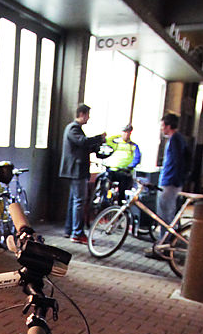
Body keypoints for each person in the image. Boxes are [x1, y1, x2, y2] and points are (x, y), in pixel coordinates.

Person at [59, 103, 106, 243]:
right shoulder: (73, 128)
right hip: (76, 170)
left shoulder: (75, 129)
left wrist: (95, 147)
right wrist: (99, 138)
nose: (88, 118)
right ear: (82, 114)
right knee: (79, 201)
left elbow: (82, 146)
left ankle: (69, 230)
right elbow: (82, 142)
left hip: (75, 170)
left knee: (74, 201)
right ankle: (77, 233)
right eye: (88, 115)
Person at [148, 112, 189, 257]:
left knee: (164, 216)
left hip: (169, 182)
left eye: (163, 126)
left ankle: (164, 246)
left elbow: (176, 162)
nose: (161, 128)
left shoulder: (175, 140)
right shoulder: (180, 139)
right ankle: (165, 243)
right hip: (173, 182)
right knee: (168, 214)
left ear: (168, 126)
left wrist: (172, 179)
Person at [103, 124, 141, 199]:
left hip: (124, 171)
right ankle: (104, 199)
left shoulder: (133, 146)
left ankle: (120, 201)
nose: (126, 135)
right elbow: (108, 140)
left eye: (128, 133)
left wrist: (130, 166)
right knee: (103, 180)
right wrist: (118, 135)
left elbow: (137, 158)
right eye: (124, 132)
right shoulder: (117, 144)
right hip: (113, 170)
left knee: (123, 187)